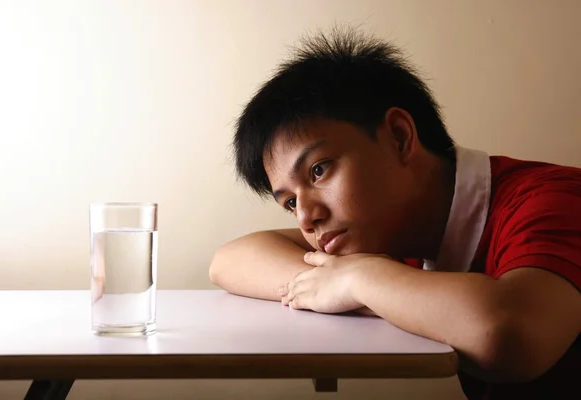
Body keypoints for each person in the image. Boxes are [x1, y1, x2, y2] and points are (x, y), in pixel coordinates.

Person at [208, 27, 580, 399]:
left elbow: (510, 335)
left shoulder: (554, 199)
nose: (306, 218)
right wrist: (347, 285)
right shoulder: (389, 227)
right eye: (289, 202)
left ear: (399, 137)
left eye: (318, 170)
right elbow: (229, 261)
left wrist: (361, 281)